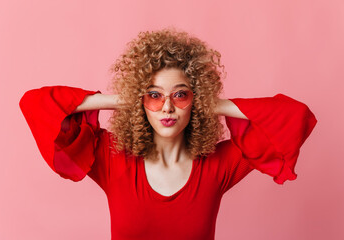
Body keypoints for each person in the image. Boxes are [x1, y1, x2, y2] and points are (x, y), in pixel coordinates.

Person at [19, 28, 317, 240]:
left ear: (195, 100)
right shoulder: (110, 158)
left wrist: (211, 104)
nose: (167, 108)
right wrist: (123, 99)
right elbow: (36, 103)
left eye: (180, 95)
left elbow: (295, 116)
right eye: (153, 95)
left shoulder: (220, 164)